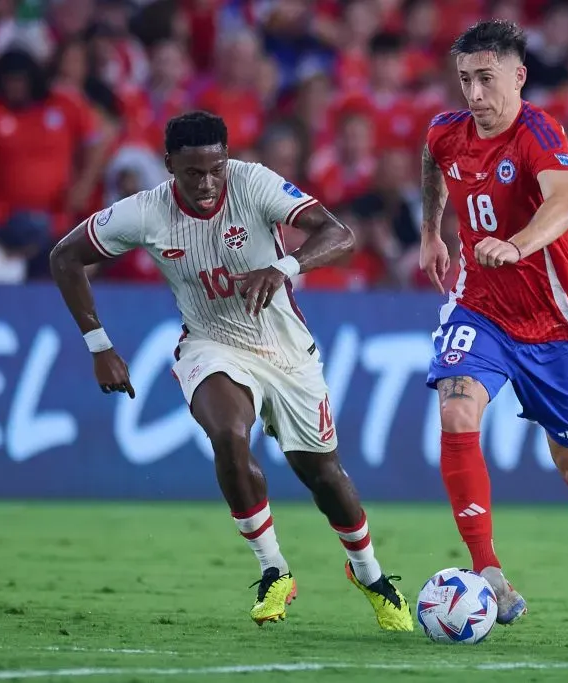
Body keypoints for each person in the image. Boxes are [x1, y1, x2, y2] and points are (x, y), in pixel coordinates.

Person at [48, 111, 412, 632]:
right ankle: (273, 570)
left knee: (324, 475)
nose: (207, 183)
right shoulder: (145, 212)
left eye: (216, 169)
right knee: (228, 434)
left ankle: (370, 575)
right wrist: (98, 345)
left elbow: (340, 234)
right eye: (193, 172)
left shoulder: (255, 182)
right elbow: (65, 256)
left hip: (285, 349)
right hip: (210, 343)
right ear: (169, 164)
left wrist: (283, 267)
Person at [419, 20, 568, 645]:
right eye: (465, 80)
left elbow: (566, 204)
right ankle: (486, 568)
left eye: (485, 79)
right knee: (458, 409)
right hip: (479, 309)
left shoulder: (539, 132)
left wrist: (514, 246)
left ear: (518, 77)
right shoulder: (446, 132)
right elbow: (431, 161)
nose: (474, 94)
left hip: (550, 326)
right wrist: (430, 230)